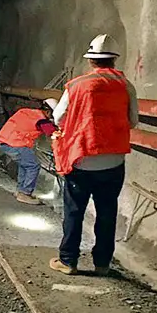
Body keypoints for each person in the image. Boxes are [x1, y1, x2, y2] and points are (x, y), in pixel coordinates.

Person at [49, 34, 139, 276]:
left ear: (90, 61)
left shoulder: (76, 85)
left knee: (74, 211)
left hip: (82, 157)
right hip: (113, 161)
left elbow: (58, 118)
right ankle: (102, 264)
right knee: (107, 212)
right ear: (114, 59)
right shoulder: (126, 86)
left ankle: (68, 261)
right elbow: (133, 120)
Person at [0, 98, 60, 205]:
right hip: (16, 143)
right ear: (48, 112)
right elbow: (50, 131)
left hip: (5, 142)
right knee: (33, 166)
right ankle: (25, 193)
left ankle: (20, 191)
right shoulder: (41, 119)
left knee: (25, 165)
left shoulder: (27, 112)